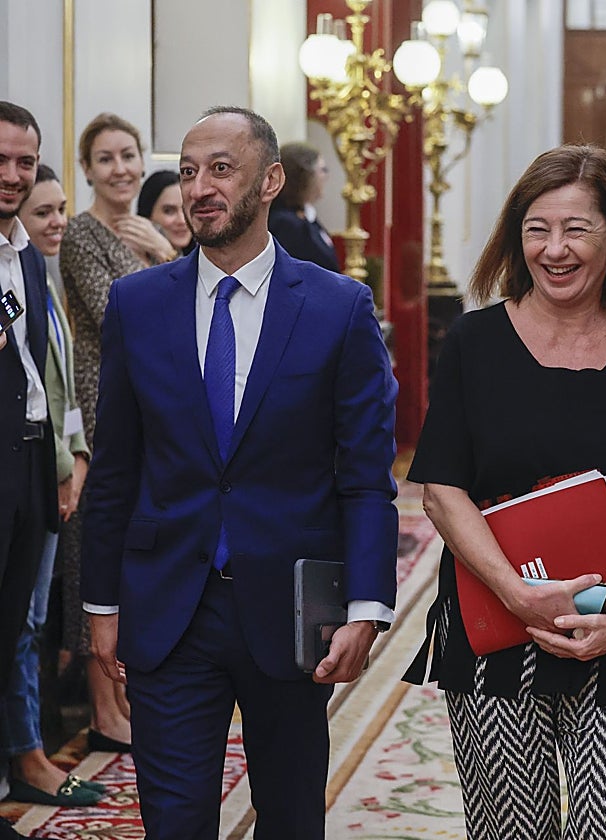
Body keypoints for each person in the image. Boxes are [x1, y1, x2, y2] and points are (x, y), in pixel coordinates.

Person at [80, 105, 399, 840]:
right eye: (189, 172)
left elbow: (364, 477)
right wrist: (100, 603)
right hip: (169, 608)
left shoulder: (336, 307)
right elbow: (118, 468)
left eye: (221, 169)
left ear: (270, 180)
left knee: (289, 819)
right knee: (175, 820)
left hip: (291, 612)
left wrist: (367, 605)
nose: (199, 188)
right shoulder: (138, 304)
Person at [403, 144, 606, 839]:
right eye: (537, 228)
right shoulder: (475, 345)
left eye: (576, 229)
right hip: (494, 623)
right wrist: (515, 590)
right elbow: (442, 491)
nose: (555, 249)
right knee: (510, 828)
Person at [61, 112, 169, 755]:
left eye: (128, 155)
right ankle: (102, 708)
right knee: (93, 557)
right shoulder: (81, 232)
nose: (121, 168)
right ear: (88, 169)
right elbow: (118, 314)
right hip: (100, 404)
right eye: (105, 159)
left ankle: (127, 696)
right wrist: (159, 255)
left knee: (133, 555)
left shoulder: (144, 231)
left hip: (146, 403)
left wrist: (158, 249)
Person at [2, 165, 100, 809]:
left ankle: (27, 748)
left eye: (61, 209)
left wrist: (75, 457)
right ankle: (27, 752)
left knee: (29, 622)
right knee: (25, 625)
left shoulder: (38, 274)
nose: (55, 223)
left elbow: (52, 383)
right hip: (30, 468)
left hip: (49, 467)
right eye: (42, 213)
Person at [0, 101, 58, 840]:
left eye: (24, 162)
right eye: (1, 161)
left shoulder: (27, 254)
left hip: (26, 474)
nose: (12, 176)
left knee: (10, 631)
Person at [268, 141, 338, 272]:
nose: (326, 176)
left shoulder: (305, 214)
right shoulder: (285, 223)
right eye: (323, 170)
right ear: (304, 176)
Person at [137, 170, 194, 256]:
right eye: (169, 211)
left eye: (186, 209)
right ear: (147, 217)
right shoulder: (133, 260)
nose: (182, 220)